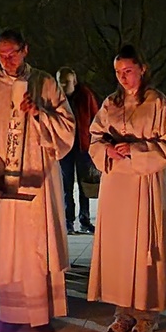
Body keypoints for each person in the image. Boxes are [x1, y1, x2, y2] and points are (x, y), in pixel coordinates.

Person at [0, 28, 75, 332]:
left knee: (37, 241)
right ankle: (13, 313)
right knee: (12, 244)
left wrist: (40, 112)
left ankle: (42, 312)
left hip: (40, 173)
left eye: (12, 53)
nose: (7, 60)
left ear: (25, 50)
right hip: (7, 177)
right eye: (1, 54)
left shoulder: (44, 82)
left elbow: (67, 128)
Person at [87, 45, 166, 332]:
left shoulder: (157, 103)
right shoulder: (111, 104)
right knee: (119, 245)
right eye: (118, 72)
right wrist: (107, 149)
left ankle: (147, 311)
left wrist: (137, 149)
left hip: (143, 181)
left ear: (142, 68)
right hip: (116, 183)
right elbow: (94, 136)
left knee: (144, 242)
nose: (123, 77)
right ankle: (122, 309)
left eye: (128, 71)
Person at [56, 66, 101, 234]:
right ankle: (68, 221)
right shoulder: (56, 97)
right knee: (66, 186)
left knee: (85, 186)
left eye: (66, 82)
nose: (63, 85)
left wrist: (95, 143)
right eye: (60, 82)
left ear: (74, 81)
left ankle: (84, 219)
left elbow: (96, 118)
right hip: (65, 148)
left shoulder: (85, 95)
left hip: (83, 146)